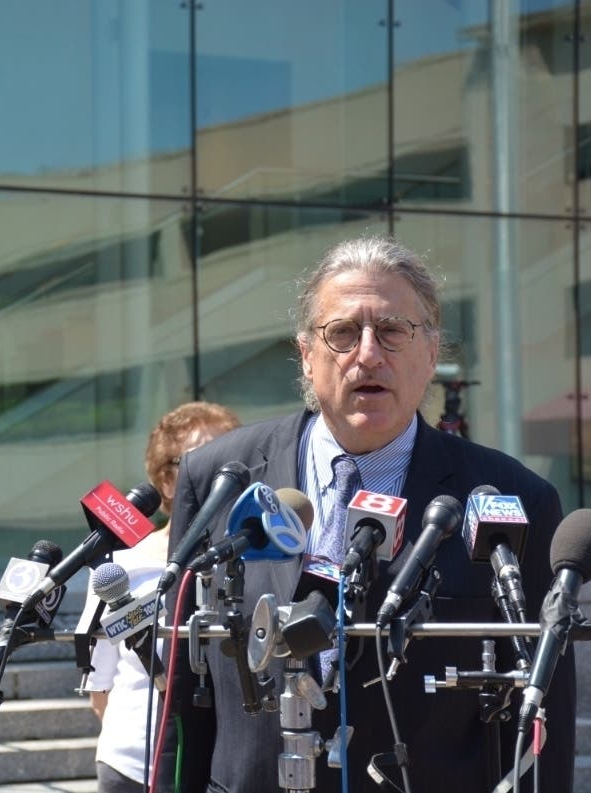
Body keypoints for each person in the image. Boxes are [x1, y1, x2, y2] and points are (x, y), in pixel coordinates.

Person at [156, 236, 576, 792]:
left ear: (431, 353)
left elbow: (545, 714)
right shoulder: (219, 477)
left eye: (393, 331)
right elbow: (181, 699)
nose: (368, 355)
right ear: (307, 354)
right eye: (343, 333)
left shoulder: (514, 498)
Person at [80, 401, 241, 793]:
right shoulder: (120, 567)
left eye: (232, 464)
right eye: (201, 463)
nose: (220, 479)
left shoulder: (251, 563)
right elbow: (99, 688)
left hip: (223, 767)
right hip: (134, 766)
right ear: (166, 480)